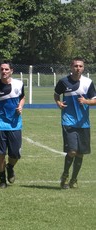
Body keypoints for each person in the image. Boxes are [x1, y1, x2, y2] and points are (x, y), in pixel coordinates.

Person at [54, 57, 96, 189]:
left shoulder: (88, 83)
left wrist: (86, 101)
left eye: (80, 66)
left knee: (80, 153)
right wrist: (58, 102)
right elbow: (56, 94)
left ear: (83, 68)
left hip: (84, 123)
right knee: (72, 151)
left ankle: (73, 179)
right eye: (75, 66)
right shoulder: (63, 81)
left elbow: (94, 100)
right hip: (68, 121)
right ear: (71, 67)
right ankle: (65, 175)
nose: (78, 68)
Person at [0, 61, 25, 189]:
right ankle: (2, 180)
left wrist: (20, 106)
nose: (4, 71)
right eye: (2, 69)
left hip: (15, 123)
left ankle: (10, 167)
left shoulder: (19, 84)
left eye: (6, 69)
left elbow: (22, 97)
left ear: (11, 71)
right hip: (0, 123)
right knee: (0, 153)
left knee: (15, 154)